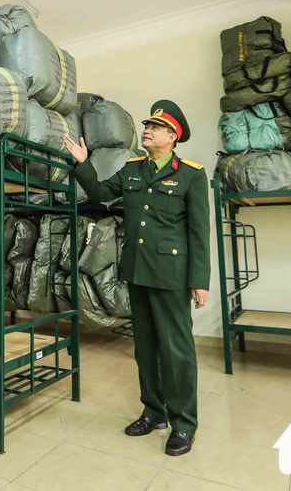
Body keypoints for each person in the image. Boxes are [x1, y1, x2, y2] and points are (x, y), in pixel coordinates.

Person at [62, 99, 209, 456]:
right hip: (137, 271)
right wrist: (83, 164)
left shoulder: (190, 173)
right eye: (146, 125)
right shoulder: (131, 170)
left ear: (173, 136)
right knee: (145, 349)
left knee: (177, 352)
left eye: (156, 127)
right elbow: (99, 194)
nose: (147, 130)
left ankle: (183, 424)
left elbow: (199, 232)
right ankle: (154, 412)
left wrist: (200, 280)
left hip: (172, 275)